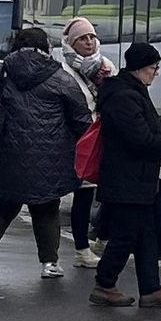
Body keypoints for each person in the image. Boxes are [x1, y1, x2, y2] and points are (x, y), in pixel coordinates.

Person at [0, 26, 92, 279]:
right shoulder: (61, 78)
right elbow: (81, 118)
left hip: (5, 154)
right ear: (46, 49)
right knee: (46, 208)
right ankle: (49, 264)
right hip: (49, 158)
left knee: (0, 206)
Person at [89, 41, 161, 308]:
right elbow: (140, 139)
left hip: (137, 179)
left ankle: (151, 289)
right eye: (153, 67)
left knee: (145, 234)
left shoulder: (132, 91)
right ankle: (104, 283)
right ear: (140, 68)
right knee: (126, 235)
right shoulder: (123, 96)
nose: (155, 72)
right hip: (126, 179)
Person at [59, 16, 112, 268]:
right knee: (83, 195)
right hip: (79, 138)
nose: (89, 42)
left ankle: (102, 238)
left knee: (110, 191)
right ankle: (81, 249)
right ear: (71, 43)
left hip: (105, 136)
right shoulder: (63, 69)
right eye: (82, 38)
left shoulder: (106, 66)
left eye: (92, 36)